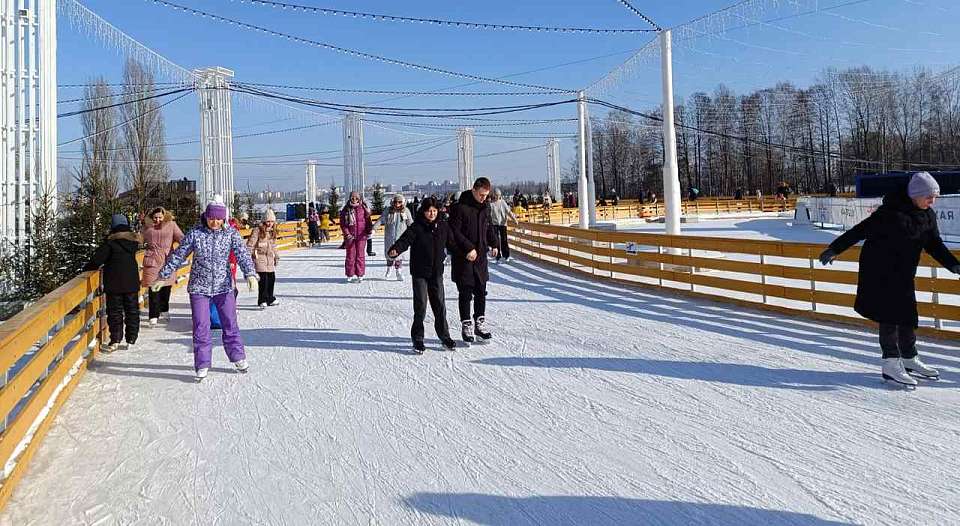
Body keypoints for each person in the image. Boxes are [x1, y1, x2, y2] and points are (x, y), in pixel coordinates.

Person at [819, 172, 959, 388]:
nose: (933, 201)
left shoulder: (927, 215)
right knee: (890, 316)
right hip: (879, 271)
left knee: (908, 316)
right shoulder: (890, 213)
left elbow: (934, 245)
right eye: (929, 196)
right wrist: (834, 249)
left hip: (903, 273)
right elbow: (860, 230)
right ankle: (890, 363)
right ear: (915, 195)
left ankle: (909, 358)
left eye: (935, 196)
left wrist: (953, 264)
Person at [154, 200, 258, 381]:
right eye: (211, 218)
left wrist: (250, 274)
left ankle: (238, 356)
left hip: (223, 286)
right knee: (201, 326)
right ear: (206, 216)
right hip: (199, 288)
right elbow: (178, 255)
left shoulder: (230, 234)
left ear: (223, 218)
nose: (215, 222)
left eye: (218, 219)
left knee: (230, 324)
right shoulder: (195, 233)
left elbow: (242, 254)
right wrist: (163, 276)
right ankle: (202, 364)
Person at [388, 197, 477, 354]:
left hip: (436, 272)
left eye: (434, 211)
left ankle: (445, 337)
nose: (432, 213)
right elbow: (405, 240)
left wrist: (466, 252)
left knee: (439, 306)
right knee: (421, 306)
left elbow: (453, 244)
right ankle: (418, 338)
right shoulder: (417, 227)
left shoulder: (443, 226)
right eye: (429, 210)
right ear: (424, 211)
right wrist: (396, 249)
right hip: (419, 272)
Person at [449, 177, 500, 344]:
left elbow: (489, 227)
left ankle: (480, 323)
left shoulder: (485, 208)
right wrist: (468, 248)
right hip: (464, 258)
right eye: (481, 195)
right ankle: (466, 325)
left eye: (486, 195)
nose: (483, 198)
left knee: (481, 291)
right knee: (465, 292)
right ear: (473, 190)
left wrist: (494, 243)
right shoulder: (459, 208)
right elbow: (454, 233)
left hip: (480, 258)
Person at [85, 214, 142, 353]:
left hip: (114, 283)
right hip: (131, 282)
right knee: (132, 310)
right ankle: (131, 338)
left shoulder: (110, 243)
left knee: (115, 312)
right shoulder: (133, 243)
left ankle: (116, 339)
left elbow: (96, 260)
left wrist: (86, 270)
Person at [140, 207, 183, 327]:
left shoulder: (171, 225)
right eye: (155, 218)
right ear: (151, 218)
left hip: (167, 260)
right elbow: (139, 240)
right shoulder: (147, 227)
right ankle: (153, 315)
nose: (157, 220)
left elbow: (182, 239)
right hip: (152, 260)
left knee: (166, 288)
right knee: (154, 288)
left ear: (164, 216)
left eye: (160, 217)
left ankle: (164, 309)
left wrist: (179, 253)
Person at [375, 193, 414, 280]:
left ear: (403, 203)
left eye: (399, 202)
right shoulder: (388, 210)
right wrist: (374, 228)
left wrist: (416, 232)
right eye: (396, 202)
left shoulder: (406, 211)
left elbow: (410, 223)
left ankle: (398, 272)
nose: (397, 204)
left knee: (399, 255)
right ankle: (389, 268)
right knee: (389, 255)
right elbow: (381, 219)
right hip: (389, 237)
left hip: (401, 237)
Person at [247, 209, 280, 309]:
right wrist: (250, 255)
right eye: (268, 221)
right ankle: (262, 300)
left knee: (271, 278)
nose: (270, 224)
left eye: (272, 221)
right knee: (263, 280)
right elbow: (250, 245)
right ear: (264, 221)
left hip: (269, 259)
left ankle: (270, 298)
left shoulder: (272, 232)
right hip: (259, 258)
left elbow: (274, 246)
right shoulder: (257, 231)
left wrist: (276, 256)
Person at [340, 191, 373, 283]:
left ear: (360, 198)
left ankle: (360, 274)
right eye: (352, 198)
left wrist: (369, 231)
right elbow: (343, 224)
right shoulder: (346, 209)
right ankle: (350, 274)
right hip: (350, 237)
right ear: (350, 198)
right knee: (350, 256)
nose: (354, 200)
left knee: (360, 256)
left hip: (361, 236)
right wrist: (347, 234)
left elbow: (368, 221)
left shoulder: (363, 208)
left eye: (356, 198)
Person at [489, 189, 518, 263]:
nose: (497, 197)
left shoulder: (503, 202)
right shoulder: (491, 204)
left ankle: (506, 255)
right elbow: (488, 215)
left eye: (499, 195)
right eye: (496, 195)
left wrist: (514, 219)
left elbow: (509, 212)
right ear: (494, 195)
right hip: (494, 224)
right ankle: (498, 256)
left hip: (503, 224)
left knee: (504, 240)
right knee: (496, 241)